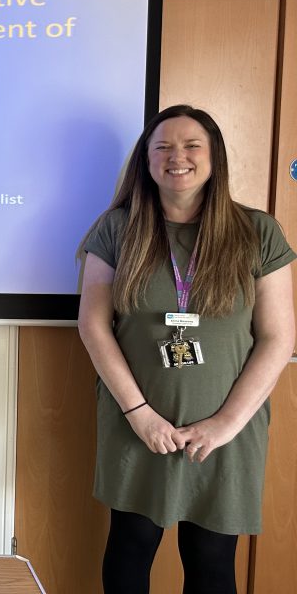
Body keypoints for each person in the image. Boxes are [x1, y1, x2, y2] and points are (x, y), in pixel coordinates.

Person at [78, 104, 296, 594]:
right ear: (146, 161)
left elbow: (279, 337)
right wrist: (139, 414)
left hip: (229, 428)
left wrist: (225, 424)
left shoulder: (258, 232)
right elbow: (93, 326)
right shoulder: (117, 229)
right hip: (137, 422)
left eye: (192, 145)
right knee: (130, 547)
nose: (178, 157)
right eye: (163, 147)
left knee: (213, 560)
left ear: (214, 157)